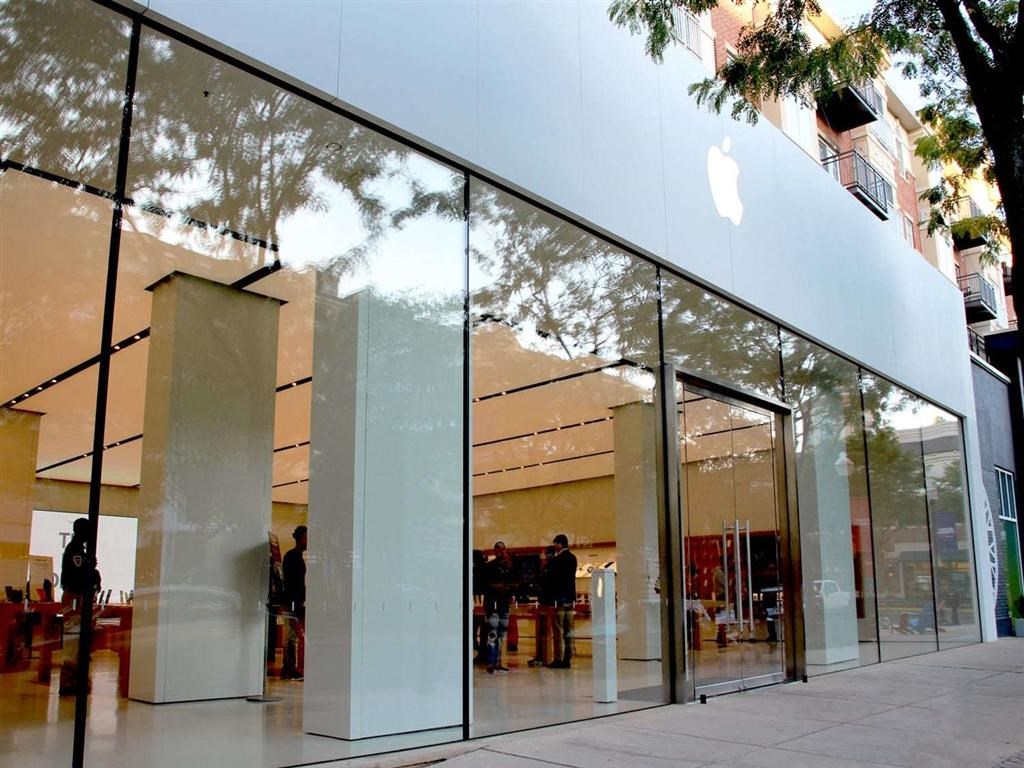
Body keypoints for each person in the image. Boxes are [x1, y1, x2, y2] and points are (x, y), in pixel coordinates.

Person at [59, 518, 100, 695]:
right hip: (75, 598)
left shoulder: (80, 550)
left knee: (79, 641)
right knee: (73, 641)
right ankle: (70, 682)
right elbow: (79, 574)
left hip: (79, 599)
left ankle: (77, 680)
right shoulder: (75, 549)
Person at [483, 541, 515, 674]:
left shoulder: (508, 567)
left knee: (501, 635)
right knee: (493, 633)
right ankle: (491, 661)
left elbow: (512, 583)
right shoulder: (489, 567)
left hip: (503, 605)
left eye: (503, 550)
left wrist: (510, 590)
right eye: (499, 550)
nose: (501, 552)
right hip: (493, 605)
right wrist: (497, 586)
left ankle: (497, 662)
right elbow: (484, 584)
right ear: (495, 551)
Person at [547, 534, 577, 669]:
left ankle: (558, 658)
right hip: (570, 598)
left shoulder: (557, 560)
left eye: (555, 544)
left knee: (558, 630)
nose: (554, 547)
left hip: (559, 599)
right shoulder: (573, 558)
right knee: (569, 630)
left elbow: (553, 581)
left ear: (559, 544)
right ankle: (567, 658)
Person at [281, 525, 307, 680]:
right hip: (292, 602)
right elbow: (291, 583)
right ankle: (288, 667)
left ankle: (290, 667)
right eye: (306, 537)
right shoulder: (293, 556)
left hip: (295, 602)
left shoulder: (296, 556)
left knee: (293, 636)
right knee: (291, 635)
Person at [528, 546, 557, 667]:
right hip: (544, 602)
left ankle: (545, 656)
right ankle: (541, 655)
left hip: (549, 603)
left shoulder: (552, 567)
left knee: (546, 632)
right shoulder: (546, 567)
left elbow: (547, 584)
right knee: (541, 631)